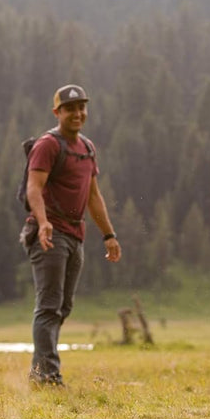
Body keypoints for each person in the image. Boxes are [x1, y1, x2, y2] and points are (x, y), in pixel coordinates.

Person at [21, 84, 121, 386]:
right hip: (49, 234)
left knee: (63, 307)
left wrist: (109, 235)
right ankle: (48, 376)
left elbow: (93, 196)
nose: (78, 113)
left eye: (82, 108)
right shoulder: (48, 145)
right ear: (57, 112)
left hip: (75, 234)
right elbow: (33, 188)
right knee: (49, 305)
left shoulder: (87, 148)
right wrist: (43, 222)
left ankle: (39, 371)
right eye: (70, 108)